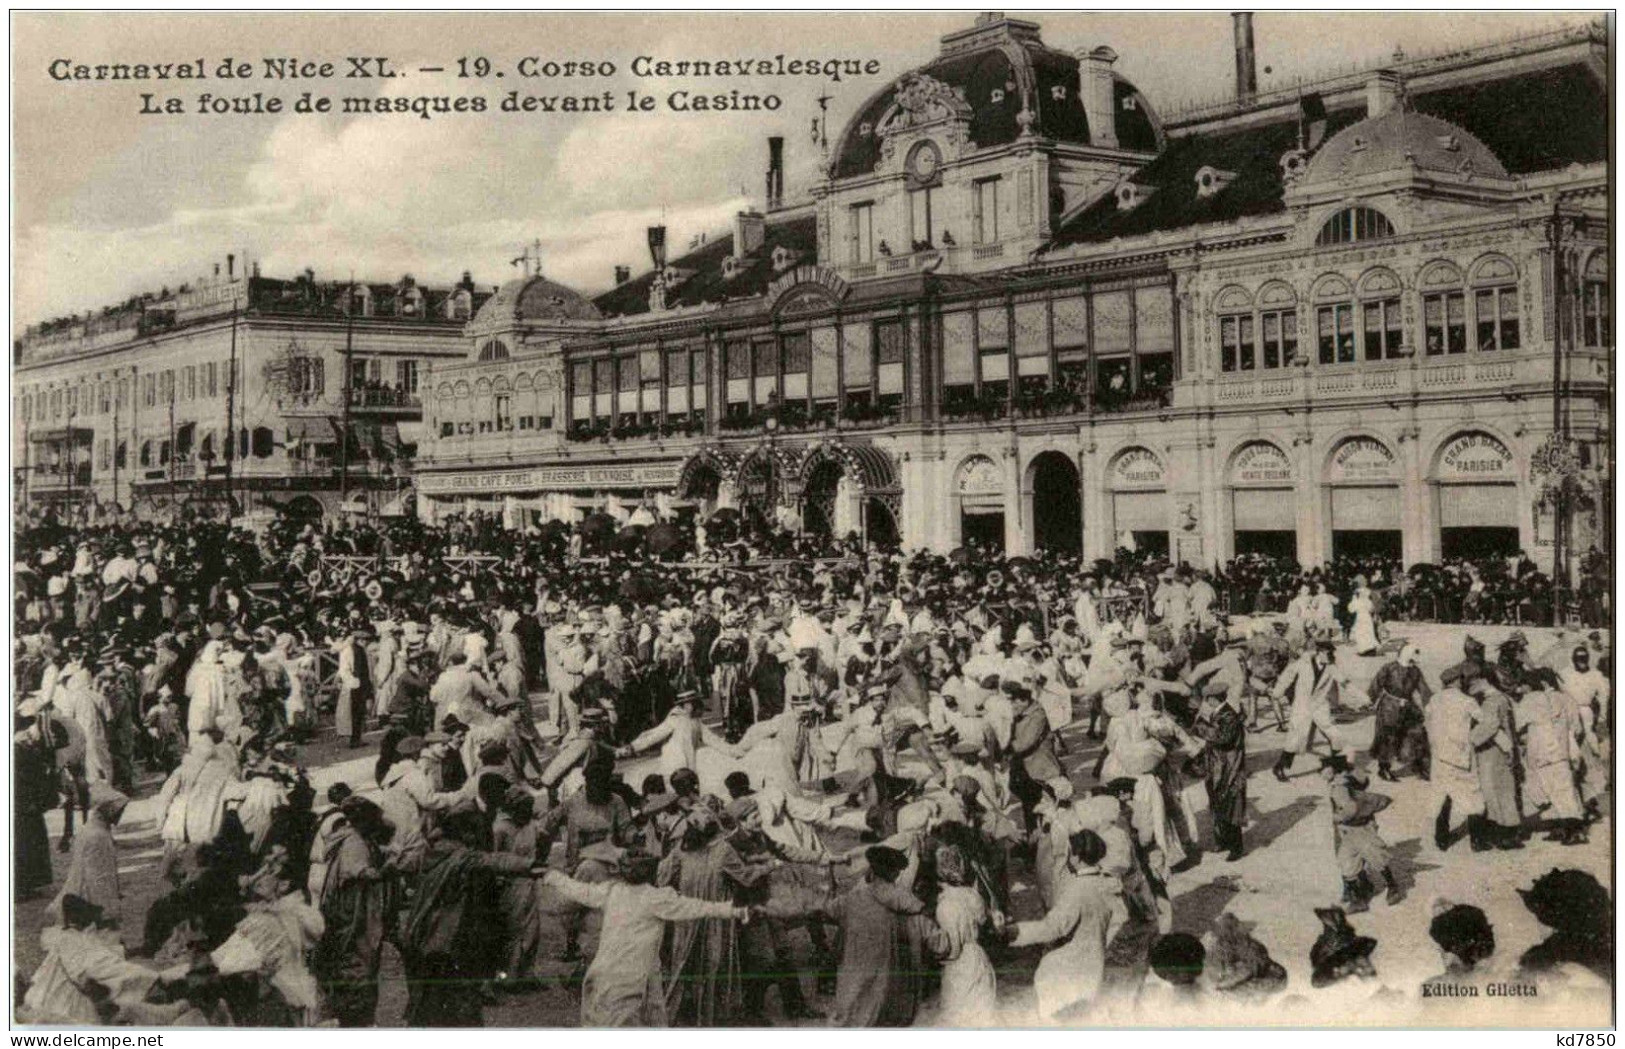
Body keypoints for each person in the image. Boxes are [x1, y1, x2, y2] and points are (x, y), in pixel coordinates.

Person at [542, 851, 749, 1027]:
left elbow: (580, 890)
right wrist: (731, 910)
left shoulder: (612, 891)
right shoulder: (656, 898)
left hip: (618, 970)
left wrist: (553, 876)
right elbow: (696, 907)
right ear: (652, 872)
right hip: (634, 975)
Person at [1000, 829, 1124, 1023]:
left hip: (1069, 968)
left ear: (1076, 857)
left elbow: (1053, 928)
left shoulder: (1077, 890)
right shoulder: (1108, 884)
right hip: (1096, 963)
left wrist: (1013, 932)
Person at [928, 843, 998, 1027]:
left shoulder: (945, 907)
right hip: (980, 958)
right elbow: (983, 921)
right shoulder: (973, 896)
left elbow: (952, 949)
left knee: (957, 1018)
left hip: (960, 968)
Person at [1189, 678, 1247, 861]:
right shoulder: (1219, 713)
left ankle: (1236, 847)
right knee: (1216, 804)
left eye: (1207, 699)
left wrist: (1200, 724)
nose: (1205, 703)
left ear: (1214, 699)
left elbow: (1222, 738)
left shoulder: (1228, 715)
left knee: (1231, 805)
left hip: (1229, 769)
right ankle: (1222, 840)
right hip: (1216, 767)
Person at [1367, 644, 1430, 781]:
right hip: (1389, 707)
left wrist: (1430, 704)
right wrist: (1370, 700)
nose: (1415, 658)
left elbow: (1424, 690)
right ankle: (1384, 768)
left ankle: (1419, 765)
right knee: (1387, 737)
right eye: (1414, 654)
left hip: (1408, 705)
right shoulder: (1389, 668)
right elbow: (1375, 685)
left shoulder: (1415, 671)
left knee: (1417, 731)